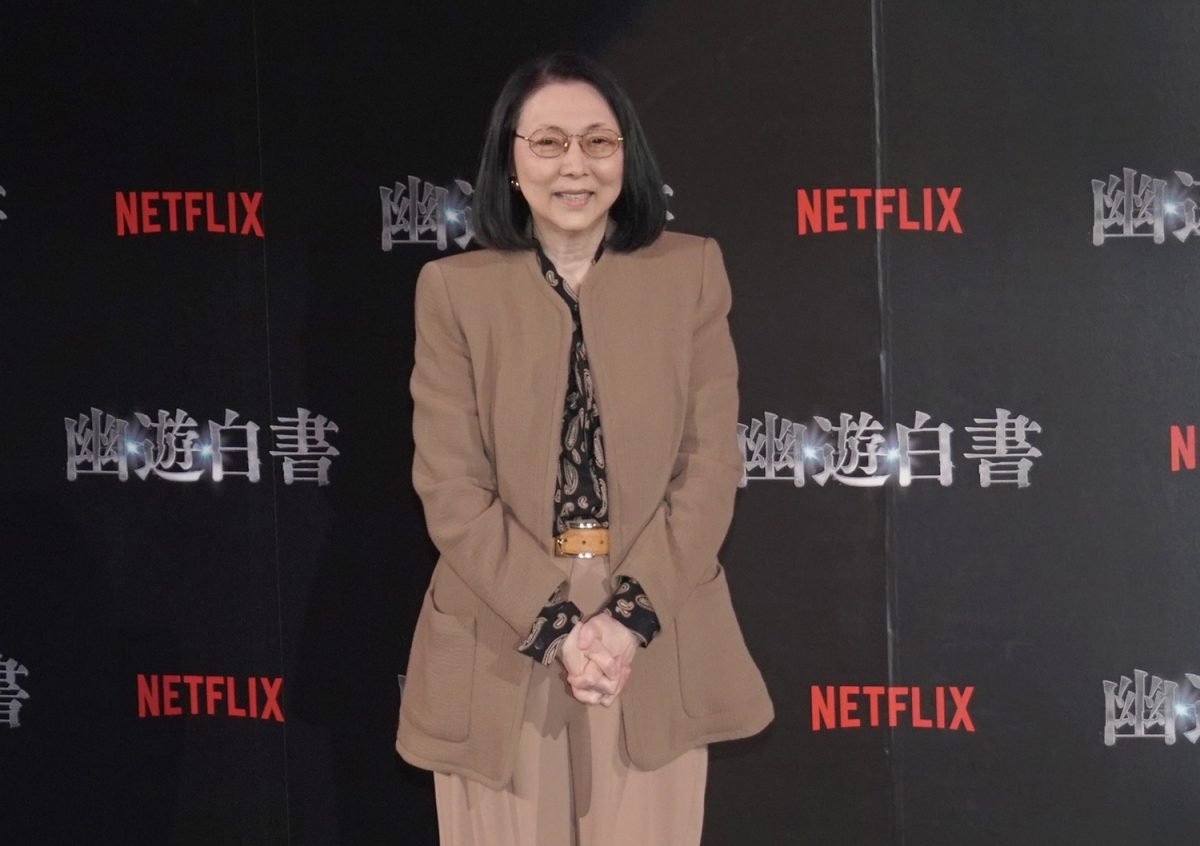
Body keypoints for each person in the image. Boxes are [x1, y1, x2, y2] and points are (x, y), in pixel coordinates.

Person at [396, 51, 773, 846]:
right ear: (511, 160)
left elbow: (708, 467)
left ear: (626, 156)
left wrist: (626, 621)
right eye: (548, 142)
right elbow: (451, 487)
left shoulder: (691, 271)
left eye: (598, 142)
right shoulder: (454, 291)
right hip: (501, 622)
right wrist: (560, 626)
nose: (576, 165)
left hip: (652, 621)